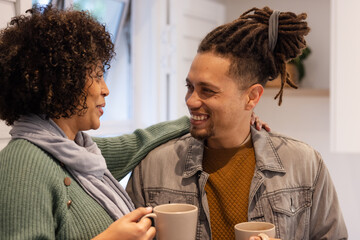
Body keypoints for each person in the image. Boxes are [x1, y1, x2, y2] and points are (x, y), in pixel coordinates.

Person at [0, 5, 266, 239]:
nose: (105, 89)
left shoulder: (78, 154)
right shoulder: (23, 163)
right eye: (96, 76)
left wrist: (213, 117)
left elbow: (138, 142)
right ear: (60, 83)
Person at [126, 6, 348, 240]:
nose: (190, 101)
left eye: (208, 91)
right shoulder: (152, 167)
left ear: (252, 97)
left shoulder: (305, 164)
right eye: (189, 86)